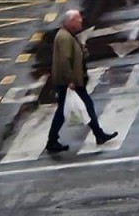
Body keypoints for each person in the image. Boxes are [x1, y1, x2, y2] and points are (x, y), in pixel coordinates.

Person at [46, 9, 117, 153]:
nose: (81, 23)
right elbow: (64, 60)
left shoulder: (67, 35)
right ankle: (98, 134)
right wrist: (70, 80)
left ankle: (53, 140)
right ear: (70, 21)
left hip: (69, 81)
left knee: (65, 111)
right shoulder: (64, 37)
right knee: (82, 106)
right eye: (78, 21)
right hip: (69, 82)